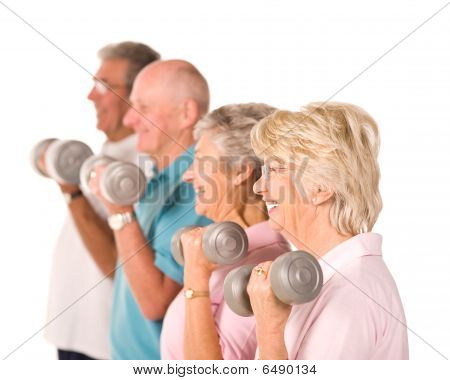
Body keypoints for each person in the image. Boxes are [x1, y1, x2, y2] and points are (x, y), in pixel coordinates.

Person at [247, 102, 409, 359]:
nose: (258, 187)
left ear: (321, 188)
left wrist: (269, 331)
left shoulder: (353, 292)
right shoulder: (327, 277)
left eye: (275, 170)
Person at [44, 42, 160, 360]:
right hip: (72, 336)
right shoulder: (106, 155)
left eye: (103, 85)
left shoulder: (146, 166)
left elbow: (118, 265)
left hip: (104, 346)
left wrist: (71, 191)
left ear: (138, 94)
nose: (91, 95)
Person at [89, 59, 212, 359]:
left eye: (142, 107)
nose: (130, 120)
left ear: (186, 113)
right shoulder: (158, 177)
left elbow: (155, 302)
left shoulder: (202, 187)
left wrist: (120, 212)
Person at [160, 103, 290, 360]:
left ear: (241, 171)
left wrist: (195, 277)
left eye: (199, 160)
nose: (188, 175)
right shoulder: (218, 256)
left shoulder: (264, 268)